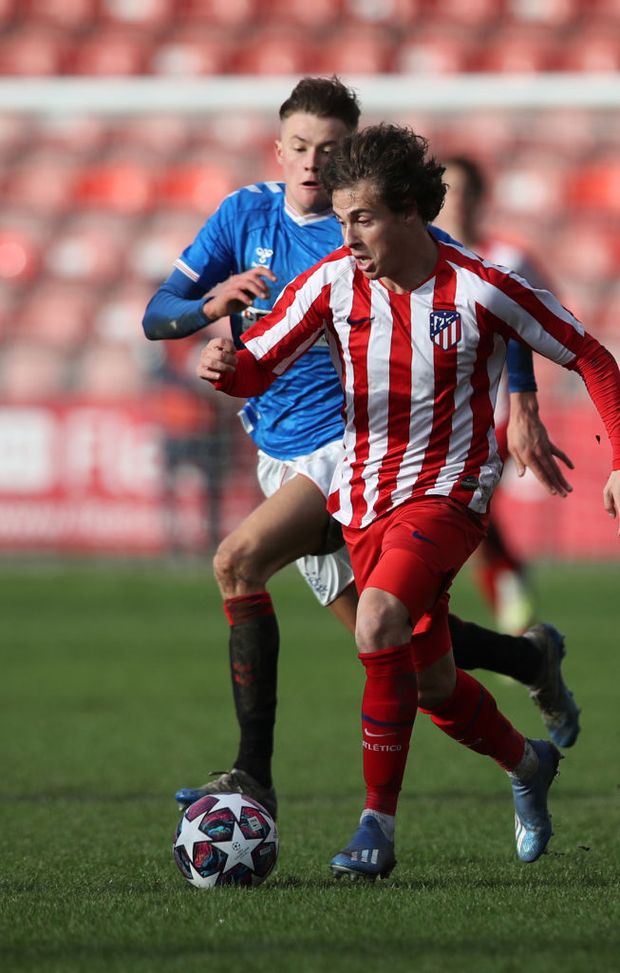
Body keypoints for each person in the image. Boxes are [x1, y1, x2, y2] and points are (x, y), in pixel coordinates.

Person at [143, 78, 579, 823]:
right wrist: (209, 308)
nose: (314, 162)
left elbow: (493, 301)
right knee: (410, 657)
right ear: (276, 149)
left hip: (353, 450)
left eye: (332, 149)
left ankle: (255, 775)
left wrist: (524, 400)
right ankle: (529, 666)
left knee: (237, 561)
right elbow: (158, 316)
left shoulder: (372, 226)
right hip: (278, 454)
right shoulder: (243, 215)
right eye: (302, 147)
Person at [434, 155, 573, 633]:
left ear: (480, 198)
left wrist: (528, 398)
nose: (457, 204)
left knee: (464, 504)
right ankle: (509, 588)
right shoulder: (422, 261)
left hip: (497, 410)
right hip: (436, 413)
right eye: (447, 192)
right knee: (463, 514)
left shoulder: (509, 259)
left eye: (466, 192)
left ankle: (509, 604)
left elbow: (551, 322)